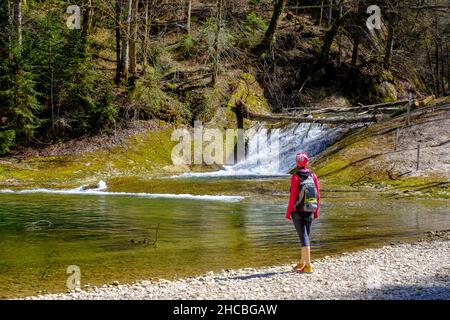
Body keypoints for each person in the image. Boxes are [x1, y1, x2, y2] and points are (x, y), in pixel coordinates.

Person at [286, 152, 320, 273]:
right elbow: (318, 195)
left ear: (297, 163)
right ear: (307, 162)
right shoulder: (313, 176)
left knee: (303, 237)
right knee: (305, 236)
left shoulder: (295, 177)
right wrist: (316, 211)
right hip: (310, 209)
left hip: (297, 211)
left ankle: (308, 266)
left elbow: (292, 196)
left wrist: (288, 212)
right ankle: (302, 262)